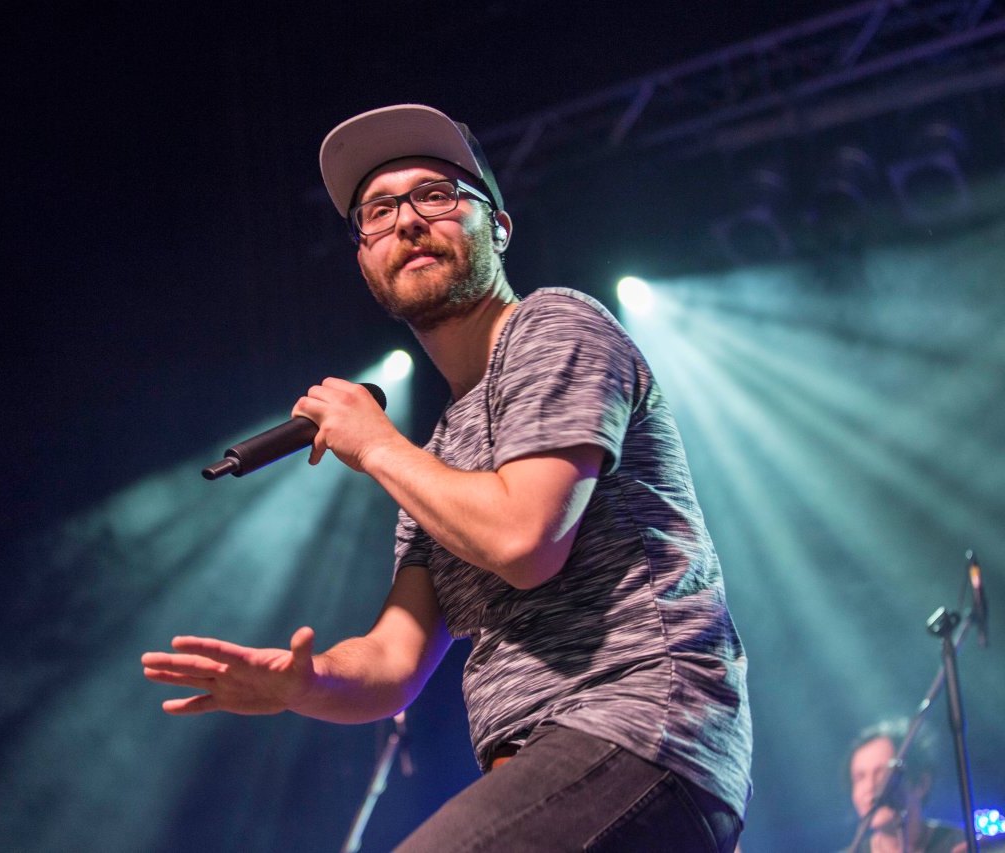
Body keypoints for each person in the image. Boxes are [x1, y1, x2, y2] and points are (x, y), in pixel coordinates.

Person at [142, 104, 753, 851]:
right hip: (541, 765)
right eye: (377, 211)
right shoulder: (437, 456)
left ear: (497, 226)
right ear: (365, 261)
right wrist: (305, 681)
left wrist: (374, 447)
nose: (406, 221)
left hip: (638, 731)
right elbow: (395, 660)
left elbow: (526, 538)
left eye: (435, 194)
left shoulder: (556, 324)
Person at [845, 718, 967, 853]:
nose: (870, 786)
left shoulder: (963, 845)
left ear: (922, 783)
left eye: (882, 773)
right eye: (860, 777)